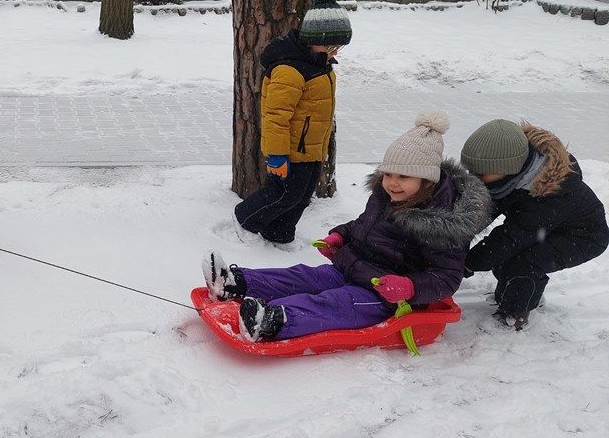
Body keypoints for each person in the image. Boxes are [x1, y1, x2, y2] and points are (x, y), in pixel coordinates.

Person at [205, 112, 491, 341]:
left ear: (427, 180)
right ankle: (236, 283)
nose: (392, 183)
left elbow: (446, 277)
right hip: (353, 267)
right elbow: (364, 225)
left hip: (384, 296)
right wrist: (341, 236)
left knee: (336, 303)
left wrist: (409, 287)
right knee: (306, 276)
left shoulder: (442, 222)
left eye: (404, 177)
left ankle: (272, 321)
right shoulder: (387, 195)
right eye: (388, 174)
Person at [460, 120, 609, 330]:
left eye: (480, 174)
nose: (474, 179)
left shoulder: (548, 193)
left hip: (584, 236)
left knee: (524, 263)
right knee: (503, 261)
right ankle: (517, 296)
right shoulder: (509, 176)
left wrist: (468, 263)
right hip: (548, 227)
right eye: (471, 172)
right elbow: (483, 212)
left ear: (508, 168)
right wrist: (456, 235)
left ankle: (515, 315)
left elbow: (511, 238)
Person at [234, 0, 351, 244]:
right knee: (283, 194)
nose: (335, 52)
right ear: (314, 39)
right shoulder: (290, 69)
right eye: (332, 45)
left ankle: (280, 236)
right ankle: (244, 219)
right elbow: (276, 115)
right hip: (291, 150)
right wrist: (276, 154)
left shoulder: (320, 64)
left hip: (312, 149)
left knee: (302, 196)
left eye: (339, 47)